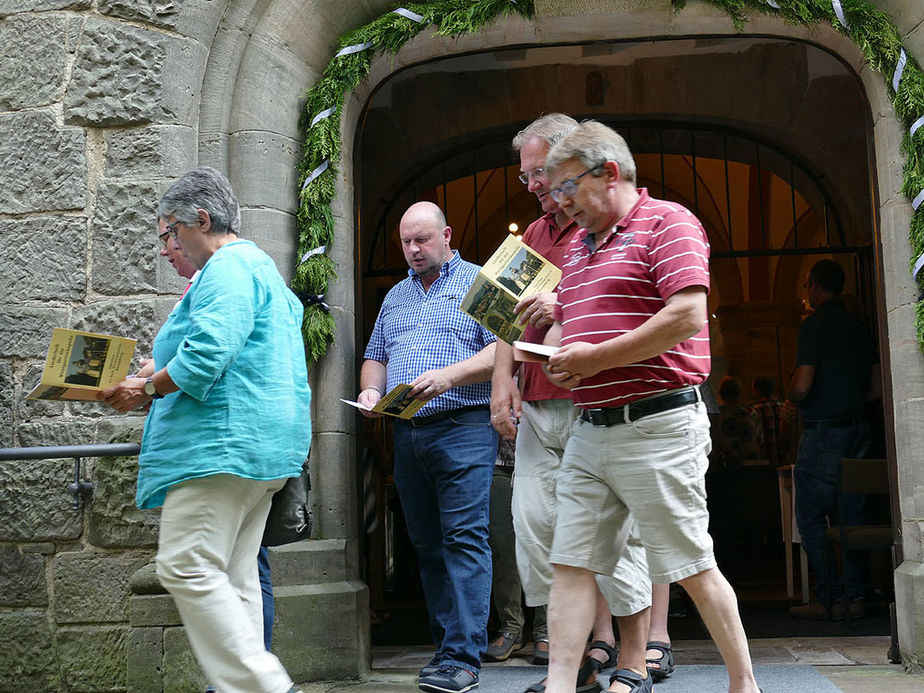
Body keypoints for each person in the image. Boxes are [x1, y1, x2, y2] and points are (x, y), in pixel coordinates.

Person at [542, 120, 760, 693]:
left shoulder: (668, 222)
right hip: (590, 428)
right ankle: (560, 686)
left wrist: (592, 360)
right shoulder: (577, 250)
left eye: (567, 187)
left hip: (658, 422)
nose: (560, 203)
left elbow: (685, 316)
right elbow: (573, 327)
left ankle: (745, 685)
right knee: (570, 563)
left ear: (609, 172)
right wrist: (558, 351)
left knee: (690, 566)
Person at [99, 166, 311, 693]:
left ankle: (270, 687)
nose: (169, 243)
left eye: (169, 231)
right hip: (255, 453)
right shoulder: (256, 271)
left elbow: (208, 354)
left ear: (201, 218)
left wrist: (146, 390)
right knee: (235, 580)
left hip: (221, 449)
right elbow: (229, 349)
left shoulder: (229, 267)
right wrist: (149, 374)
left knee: (185, 565)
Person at [491, 114, 652, 693]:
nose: (532, 185)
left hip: (594, 400)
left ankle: (632, 660)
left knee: (617, 534)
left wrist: (560, 307)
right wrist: (502, 385)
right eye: (528, 175)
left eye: (539, 173)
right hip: (537, 404)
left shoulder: (602, 226)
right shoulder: (529, 237)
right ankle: (579, 661)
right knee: (535, 528)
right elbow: (503, 319)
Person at [357, 201, 498, 693]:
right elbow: (376, 354)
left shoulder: (478, 280)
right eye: (405, 242)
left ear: (447, 235)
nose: (413, 250)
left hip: (464, 424)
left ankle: (464, 657)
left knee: (464, 536)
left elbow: (506, 347)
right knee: (427, 544)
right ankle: (446, 651)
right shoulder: (395, 294)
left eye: (422, 240)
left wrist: (450, 375)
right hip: (407, 429)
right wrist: (371, 391)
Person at [787, 259, 878, 621]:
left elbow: (803, 383)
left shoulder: (814, 327)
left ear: (813, 286)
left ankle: (826, 597)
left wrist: (791, 395)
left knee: (810, 515)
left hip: (823, 431)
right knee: (851, 514)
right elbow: (876, 387)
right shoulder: (859, 326)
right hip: (859, 428)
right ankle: (855, 596)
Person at [714, 376, 762, 468]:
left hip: (725, 465)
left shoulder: (716, 416)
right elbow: (759, 439)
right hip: (751, 465)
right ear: (739, 393)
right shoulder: (751, 413)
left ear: (721, 394)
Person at [750, 375, 785, 468]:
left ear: (757, 391)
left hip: (765, 459)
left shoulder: (755, 410)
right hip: (784, 459)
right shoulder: (782, 407)